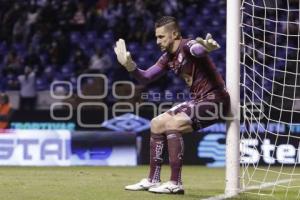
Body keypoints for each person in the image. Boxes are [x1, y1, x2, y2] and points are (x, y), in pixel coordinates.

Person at [114, 16, 230, 194]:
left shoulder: (187, 45)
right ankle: (153, 179)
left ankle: (175, 183)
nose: (157, 41)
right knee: (156, 123)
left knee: (173, 124)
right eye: (156, 37)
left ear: (174, 34)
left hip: (216, 100)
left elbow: (197, 50)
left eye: (161, 37)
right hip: (198, 100)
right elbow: (146, 77)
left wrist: (205, 48)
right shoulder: (168, 57)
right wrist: (130, 66)